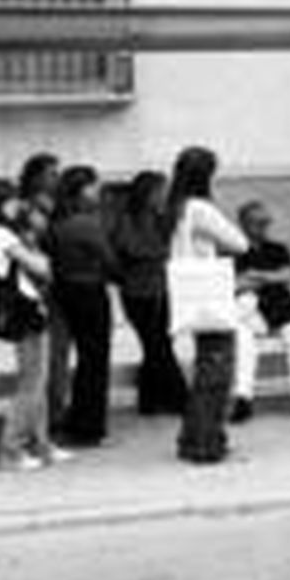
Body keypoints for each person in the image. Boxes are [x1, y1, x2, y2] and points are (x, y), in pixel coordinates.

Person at [0, 179, 70, 471]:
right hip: (24, 310)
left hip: (27, 309)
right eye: (13, 201)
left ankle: (41, 444)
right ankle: (11, 449)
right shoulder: (1, 234)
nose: (18, 206)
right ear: (0, 203)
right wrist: (39, 250)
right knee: (31, 382)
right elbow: (41, 267)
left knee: (37, 380)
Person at [166, 146, 249, 465]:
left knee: (206, 369)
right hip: (210, 296)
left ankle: (191, 438)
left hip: (190, 294)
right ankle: (205, 443)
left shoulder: (175, 206)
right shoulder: (200, 208)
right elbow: (239, 242)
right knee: (216, 372)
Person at [45, 165, 120, 448]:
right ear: (81, 191)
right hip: (89, 290)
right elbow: (110, 260)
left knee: (85, 359)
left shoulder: (57, 222)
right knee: (95, 361)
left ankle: (77, 420)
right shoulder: (86, 224)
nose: (98, 191)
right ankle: (90, 428)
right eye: (93, 186)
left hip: (65, 290)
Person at [232, 202, 290, 422]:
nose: (264, 227)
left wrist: (257, 276)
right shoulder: (232, 251)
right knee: (243, 341)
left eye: (266, 222)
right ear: (244, 224)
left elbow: (287, 275)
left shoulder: (277, 249)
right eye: (258, 222)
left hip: (280, 307)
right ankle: (243, 399)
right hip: (248, 311)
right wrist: (269, 277)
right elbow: (234, 283)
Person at [111, 171, 188, 416]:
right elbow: (130, 248)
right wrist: (159, 253)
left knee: (157, 344)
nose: (163, 196)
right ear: (147, 194)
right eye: (160, 192)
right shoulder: (127, 220)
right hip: (138, 291)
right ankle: (179, 398)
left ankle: (150, 399)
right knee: (157, 344)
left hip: (160, 288)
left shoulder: (158, 218)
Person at [17, 153, 68, 424]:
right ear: (36, 177)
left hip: (59, 284)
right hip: (40, 287)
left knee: (59, 352)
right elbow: (31, 245)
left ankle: (55, 409)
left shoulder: (57, 204)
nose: (57, 179)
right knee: (48, 355)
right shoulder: (26, 209)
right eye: (52, 174)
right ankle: (49, 416)